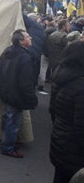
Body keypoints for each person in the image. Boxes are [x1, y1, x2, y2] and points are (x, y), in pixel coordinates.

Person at [0, 29, 38, 158]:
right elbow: (26, 81)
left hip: (6, 93)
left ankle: (8, 142)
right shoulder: (23, 57)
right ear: (21, 41)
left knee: (8, 119)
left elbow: (0, 72)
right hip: (16, 95)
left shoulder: (6, 52)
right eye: (27, 36)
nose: (30, 37)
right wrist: (32, 99)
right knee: (12, 122)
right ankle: (7, 147)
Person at [49, 41, 84, 183]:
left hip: (60, 139)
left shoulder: (61, 75)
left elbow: (53, 109)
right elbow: (81, 127)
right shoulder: (80, 87)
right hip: (76, 150)